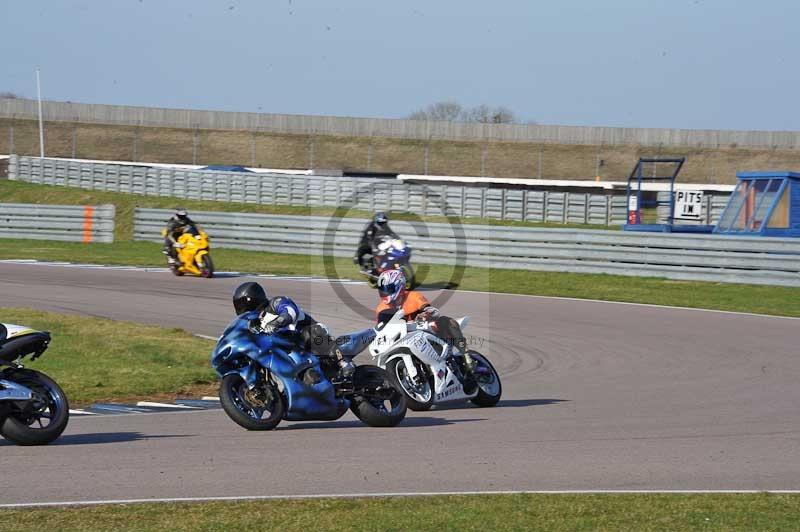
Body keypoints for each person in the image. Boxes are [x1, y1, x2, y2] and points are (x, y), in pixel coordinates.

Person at [232, 282, 354, 377]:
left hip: (304, 335)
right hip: (287, 347)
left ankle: (343, 362)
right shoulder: (254, 323)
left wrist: (276, 323)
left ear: (251, 300)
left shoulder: (275, 303)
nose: (240, 309)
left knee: (310, 332)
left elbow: (290, 312)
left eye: (241, 304)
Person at [374, 270, 477, 372]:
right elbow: (381, 329)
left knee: (446, 321)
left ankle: (466, 356)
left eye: (389, 289)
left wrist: (425, 313)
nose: (385, 292)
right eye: (382, 289)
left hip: (421, 328)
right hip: (401, 338)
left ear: (399, 286)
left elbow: (428, 309)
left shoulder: (413, 296)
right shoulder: (381, 309)